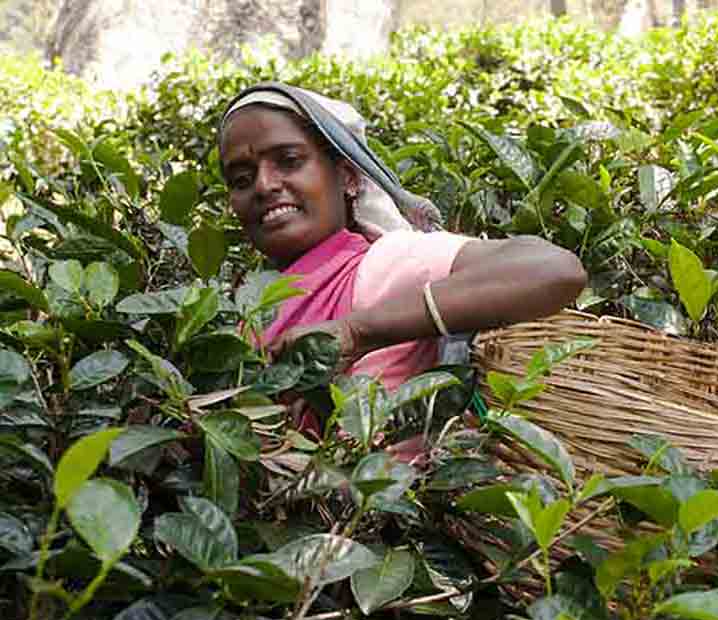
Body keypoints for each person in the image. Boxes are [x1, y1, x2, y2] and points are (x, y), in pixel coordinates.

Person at [219, 82, 586, 393]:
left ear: (347, 177)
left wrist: (354, 332)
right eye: (241, 179)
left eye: (289, 160)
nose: (264, 185)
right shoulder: (251, 308)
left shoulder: (383, 264)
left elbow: (552, 269)